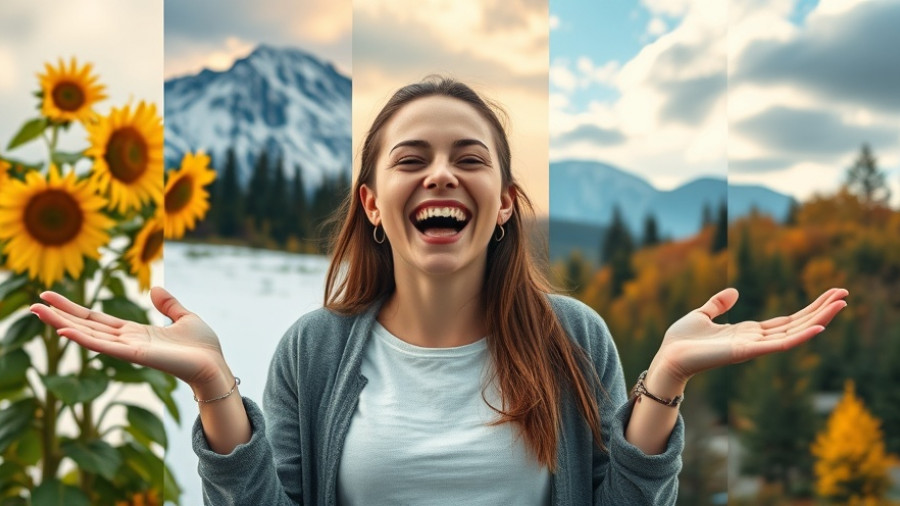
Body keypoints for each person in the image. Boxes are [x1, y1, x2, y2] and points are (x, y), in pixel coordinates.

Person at [30, 77, 849, 505]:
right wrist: (216, 389)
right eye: (412, 158)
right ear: (371, 203)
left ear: (505, 203)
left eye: (470, 158)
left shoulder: (573, 337)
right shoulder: (314, 351)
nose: (441, 175)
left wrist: (663, 382)